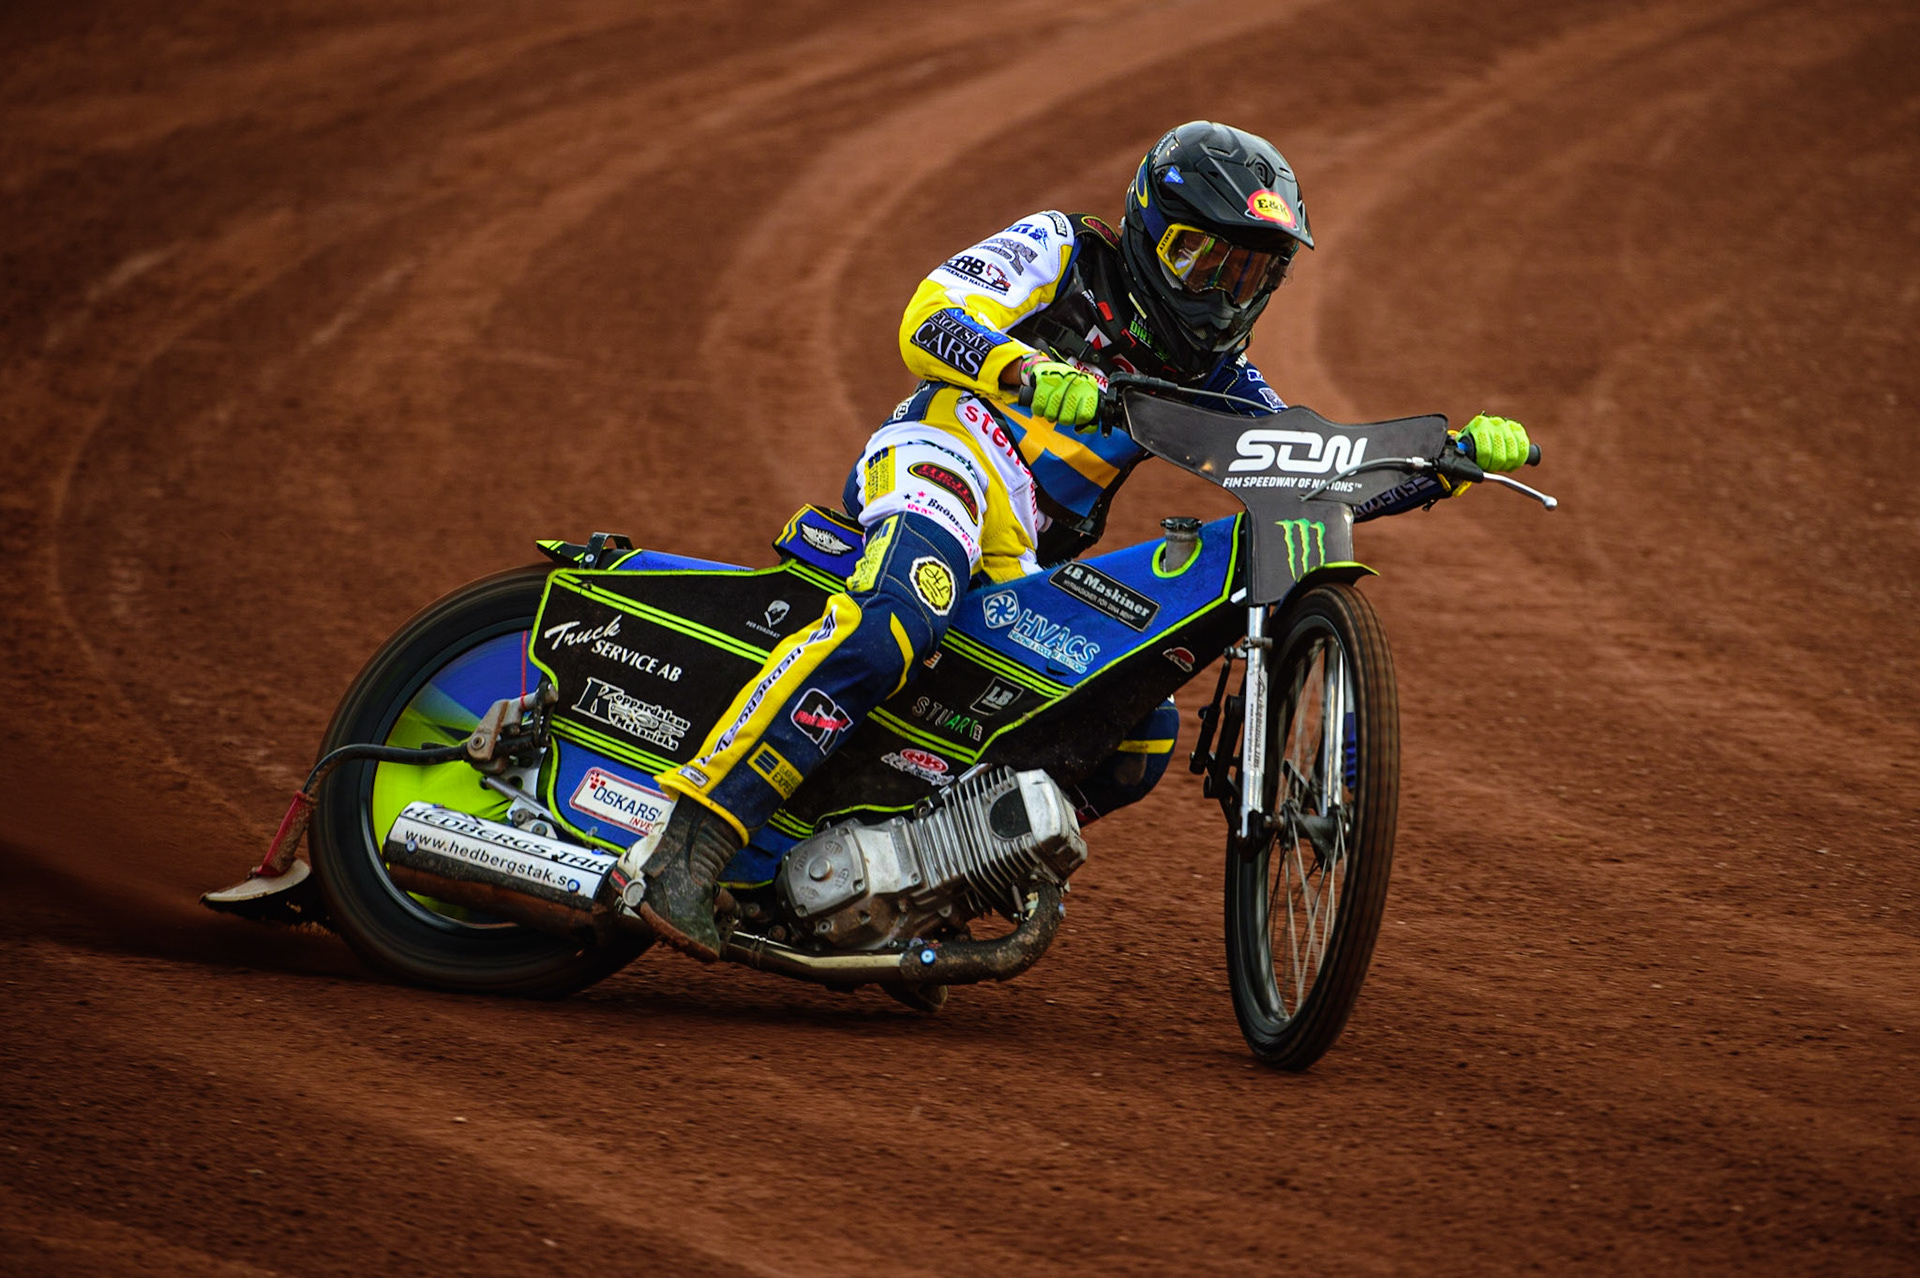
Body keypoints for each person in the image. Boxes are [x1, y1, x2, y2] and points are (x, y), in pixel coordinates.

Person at [605, 120, 1533, 961]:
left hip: (1028, 552)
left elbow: (1302, 473)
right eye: (1203, 260)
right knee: (900, 612)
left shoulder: (1222, 378)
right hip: (949, 456)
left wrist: (1437, 461)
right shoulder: (1063, 249)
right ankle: (693, 839)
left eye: (1250, 274)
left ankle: (920, 884)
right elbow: (926, 316)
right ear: (1144, 228)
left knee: (1135, 727)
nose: (1222, 293)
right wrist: (1027, 371)